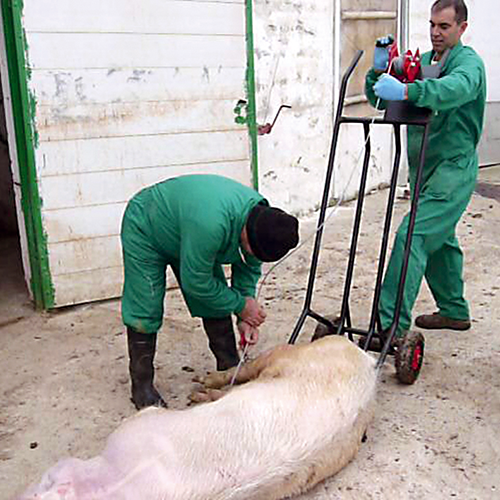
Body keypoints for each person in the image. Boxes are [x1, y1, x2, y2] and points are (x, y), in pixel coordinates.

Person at [120, 174, 299, 409]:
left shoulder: (264, 221)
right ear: (246, 233)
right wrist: (240, 306)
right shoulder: (212, 225)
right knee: (146, 304)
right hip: (147, 224)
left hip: (188, 228)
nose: (253, 258)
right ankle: (141, 386)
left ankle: (228, 367)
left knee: (214, 298)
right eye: (252, 251)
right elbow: (196, 282)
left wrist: (245, 317)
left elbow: (247, 267)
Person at [365, 0, 486, 342]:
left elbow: (454, 89)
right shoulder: (423, 63)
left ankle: (390, 327)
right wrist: (381, 72)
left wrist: (407, 88)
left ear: (461, 28)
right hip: (423, 170)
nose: (435, 32)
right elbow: (380, 100)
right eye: (432, 24)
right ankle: (454, 311)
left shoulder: (468, 63)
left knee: (413, 235)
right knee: (440, 239)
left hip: (453, 170)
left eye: (444, 26)